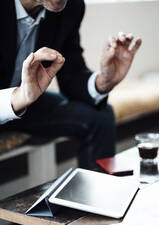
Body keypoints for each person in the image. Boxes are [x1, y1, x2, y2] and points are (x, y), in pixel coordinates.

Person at [0, 0, 141, 169]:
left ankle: (97, 194)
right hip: (12, 102)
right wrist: (18, 97)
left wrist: (104, 81)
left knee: (100, 116)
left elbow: (72, 75)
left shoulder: (71, 7)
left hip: (27, 104)